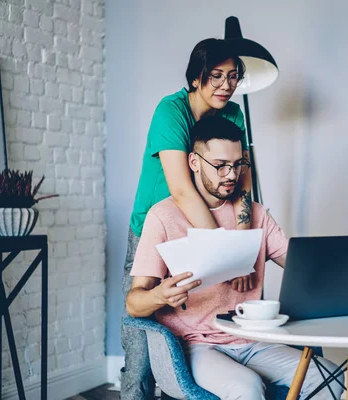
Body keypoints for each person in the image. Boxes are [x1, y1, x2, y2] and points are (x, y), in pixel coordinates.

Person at [126, 116, 345, 399]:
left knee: (330, 377)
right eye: (220, 166)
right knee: (246, 387)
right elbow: (134, 303)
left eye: (237, 164)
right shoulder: (163, 216)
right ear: (194, 162)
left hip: (254, 341)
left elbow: (308, 266)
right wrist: (160, 296)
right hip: (197, 345)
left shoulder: (255, 215)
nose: (231, 175)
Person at [121, 39, 255, 399]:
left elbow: (243, 182)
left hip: (204, 229)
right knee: (142, 341)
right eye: (216, 76)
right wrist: (225, 252)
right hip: (158, 229)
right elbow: (181, 189)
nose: (227, 85)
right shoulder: (171, 111)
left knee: (186, 329)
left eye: (233, 77)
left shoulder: (232, 115)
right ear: (196, 77)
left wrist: (240, 242)